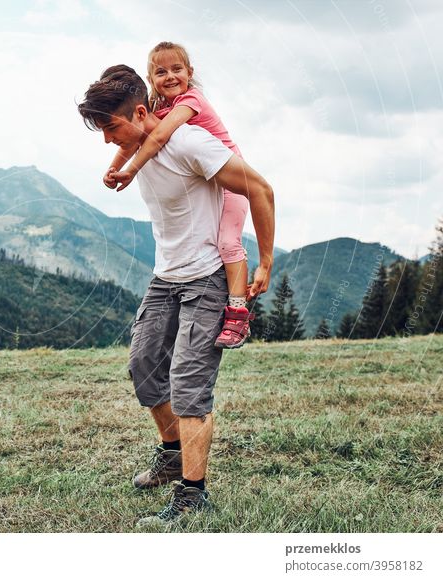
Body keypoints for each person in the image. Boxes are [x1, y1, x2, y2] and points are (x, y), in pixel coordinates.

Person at [77, 65, 274, 527]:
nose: (107, 140)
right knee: (144, 367)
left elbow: (261, 189)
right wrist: (116, 167)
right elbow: (121, 153)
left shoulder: (189, 143)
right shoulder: (135, 150)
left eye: (111, 128)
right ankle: (171, 455)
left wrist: (264, 261)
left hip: (207, 278)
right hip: (165, 278)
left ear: (142, 113)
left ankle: (193, 494)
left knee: (188, 384)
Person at [103, 42, 253, 349]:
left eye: (177, 69)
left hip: (231, 176)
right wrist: (113, 167)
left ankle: (237, 311)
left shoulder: (191, 100)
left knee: (227, 241)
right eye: (160, 72)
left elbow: (158, 136)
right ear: (150, 78)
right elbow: (134, 138)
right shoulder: (158, 108)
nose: (170, 76)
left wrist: (130, 172)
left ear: (190, 73)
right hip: (206, 179)